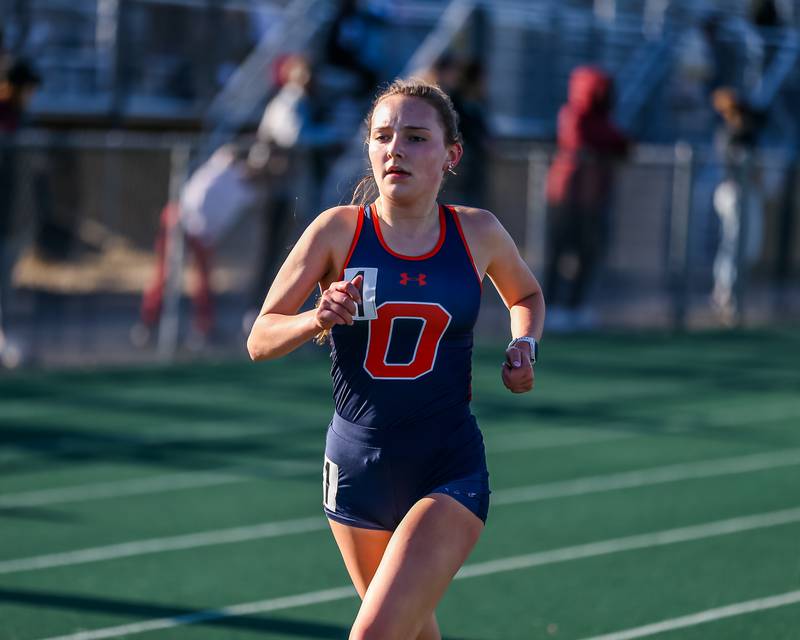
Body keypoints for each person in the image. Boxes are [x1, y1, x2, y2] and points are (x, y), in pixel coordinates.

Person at [247, 78, 544, 639]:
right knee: (410, 633)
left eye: (415, 137)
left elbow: (525, 296)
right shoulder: (337, 230)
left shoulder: (478, 232)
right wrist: (316, 317)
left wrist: (523, 343)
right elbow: (259, 338)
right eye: (383, 136)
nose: (396, 150)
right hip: (356, 468)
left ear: (450, 154)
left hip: (447, 464)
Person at [133, 144, 263, 347]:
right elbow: (230, 153)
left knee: (202, 280)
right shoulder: (225, 167)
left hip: (200, 232)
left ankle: (202, 328)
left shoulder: (247, 189)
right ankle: (148, 324)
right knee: (165, 275)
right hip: (181, 219)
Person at [544, 65, 630, 330]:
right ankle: (549, 307)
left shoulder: (604, 119)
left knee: (589, 252)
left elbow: (622, 145)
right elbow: (580, 142)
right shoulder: (573, 113)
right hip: (567, 197)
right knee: (559, 252)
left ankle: (575, 306)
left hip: (594, 199)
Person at [710, 87, 765, 323]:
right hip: (733, 192)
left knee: (748, 246)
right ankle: (725, 295)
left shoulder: (747, 131)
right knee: (733, 245)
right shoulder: (729, 133)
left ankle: (731, 294)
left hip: (747, 193)